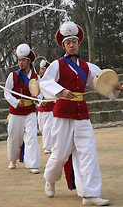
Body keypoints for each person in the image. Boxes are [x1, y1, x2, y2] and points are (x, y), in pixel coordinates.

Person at [40, 21, 123, 205]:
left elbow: (101, 81)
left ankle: (90, 194)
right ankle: (50, 179)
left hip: (82, 115)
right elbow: (45, 83)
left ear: (78, 44)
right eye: (68, 42)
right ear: (63, 45)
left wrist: (116, 86)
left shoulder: (87, 66)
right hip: (63, 113)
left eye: (74, 42)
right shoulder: (56, 64)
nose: (71, 45)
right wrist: (61, 91)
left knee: (88, 153)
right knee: (60, 154)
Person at [4, 43, 40, 174]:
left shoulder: (36, 77)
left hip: (30, 111)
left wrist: (38, 99)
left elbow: (40, 93)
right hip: (16, 112)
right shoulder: (12, 75)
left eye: (23, 60)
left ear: (29, 61)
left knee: (31, 137)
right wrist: (15, 102)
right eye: (19, 60)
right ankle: (13, 159)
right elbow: (6, 92)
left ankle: (33, 164)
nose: (21, 63)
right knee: (14, 137)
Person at [38, 59, 55, 154]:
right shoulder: (38, 82)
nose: (40, 71)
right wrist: (40, 102)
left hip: (50, 110)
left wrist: (49, 100)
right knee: (42, 129)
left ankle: (47, 147)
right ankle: (49, 144)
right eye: (40, 69)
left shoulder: (53, 82)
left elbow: (55, 96)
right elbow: (36, 94)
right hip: (41, 110)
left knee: (48, 128)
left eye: (42, 69)